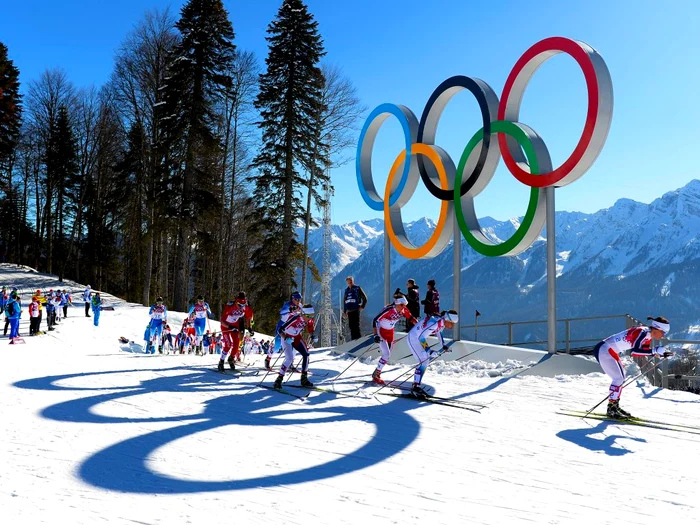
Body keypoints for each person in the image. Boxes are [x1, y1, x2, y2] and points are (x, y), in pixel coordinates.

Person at [593, 316, 673, 419]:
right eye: (663, 332)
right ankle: (611, 408)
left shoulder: (647, 335)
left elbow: (642, 351)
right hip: (605, 349)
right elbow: (634, 352)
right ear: (657, 328)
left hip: (608, 349)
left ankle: (614, 406)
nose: (663, 336)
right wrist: (655, 350)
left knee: (621, 377)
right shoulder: (642, 332)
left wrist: (660, 354)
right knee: (619, 378)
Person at [406, 310, 458, 398]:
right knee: (423, 361)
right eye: (452, 323)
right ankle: (415, 387)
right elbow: (421, 337)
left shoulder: (441, 322)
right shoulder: (434, 323)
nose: (452, 326)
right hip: (414, 338)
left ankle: (416, 385)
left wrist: (443, 344)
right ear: (447, 320)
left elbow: (439, 331)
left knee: (424, 361)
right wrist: (429, 351)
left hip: (417, 338)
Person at [371, 293, 418, 384]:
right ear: (396, 303)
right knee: (386, 354)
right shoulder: (389, 310)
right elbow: (375, 320)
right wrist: (375, 335)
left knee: (387, 355)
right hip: (381, 331)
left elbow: (411, 318)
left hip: (390, 332)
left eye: (405, 305)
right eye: (401, 305)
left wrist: (419, 327)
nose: (403, 307)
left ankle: (376, 373)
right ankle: (376, 374)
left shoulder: (403, 309)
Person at [273, 304, 315, 390]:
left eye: (312, 316)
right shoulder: (295, 318)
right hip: (287, 337)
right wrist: (286, 338)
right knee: (289, 358)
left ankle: (304, 378)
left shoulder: (309, 319)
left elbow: (310, 328)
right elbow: (280, 330)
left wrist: (313, 335)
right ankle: (279, 380)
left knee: (306, 354)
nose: (310, 318)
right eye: (308, 316)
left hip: (296, 337)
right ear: (303, 313)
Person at [218, 292, 254, 371]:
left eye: (243, 305)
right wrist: (229, 326)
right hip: (226, 327)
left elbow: (249, 317)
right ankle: (221, 362)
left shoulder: (245, 307)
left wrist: (250, 328)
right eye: (240, 305)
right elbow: (222, 321)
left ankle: (231, 358)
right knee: (228, 345)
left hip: (235, 326)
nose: (241, 307)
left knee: (236, 344)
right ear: (236, 302)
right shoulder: (230, 306)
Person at [267, 292, 303, 370]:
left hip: (292, 328)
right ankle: (268, 358)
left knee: (294, 346)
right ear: (292, 299)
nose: (298, 301)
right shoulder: (287, 305)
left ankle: (290, 363)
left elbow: (303, 313)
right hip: (282, 326)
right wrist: (290, 310)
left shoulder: (300, 306)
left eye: (300, 299)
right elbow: (282, 312)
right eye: (296, 299)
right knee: (277, 347)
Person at [343, 276, 368, 341]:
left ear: (353, 281)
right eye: (348, 282)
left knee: (356, 326)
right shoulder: (346, 290)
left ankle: (358, 340)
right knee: (351, 327)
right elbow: (345, 301)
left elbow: (365, 298)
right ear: (347, 283)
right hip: (349, 311)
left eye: (351, 282)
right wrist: (345, 311)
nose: (350, 283)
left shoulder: (357, 288)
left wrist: (362, 306)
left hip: (356, 310)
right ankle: (353, 341)